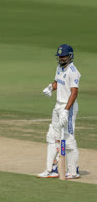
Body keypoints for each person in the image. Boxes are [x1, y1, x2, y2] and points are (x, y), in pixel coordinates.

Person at [37, 44, 81, 179]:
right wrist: (51, 87)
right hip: (58, 106)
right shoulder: (59, 68)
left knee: (68, 139)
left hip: (68, 107)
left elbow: (74, 93)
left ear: (70, 56)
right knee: (52, 137)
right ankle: (51, 169)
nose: (61, 58)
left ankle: (73, 171)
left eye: (63, 56)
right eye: (60, 56)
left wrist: (66, 111)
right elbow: (58, 82)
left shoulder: (73, 71)